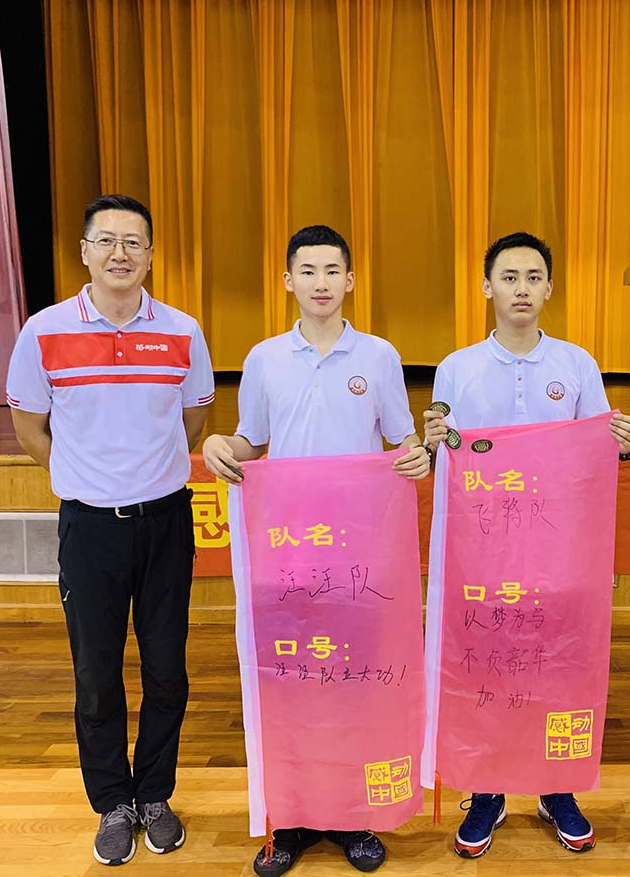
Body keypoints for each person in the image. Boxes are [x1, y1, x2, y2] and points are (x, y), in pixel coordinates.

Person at [201, 224, 431, 877]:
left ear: (351, 280)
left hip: (359, 556)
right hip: (290, 551)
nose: (321, 282)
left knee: (356, 682)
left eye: (333, 270)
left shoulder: (379, 356)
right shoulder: (264, 358)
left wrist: (416, 456)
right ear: (288, 281)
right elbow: (251, 443)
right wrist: (218, 446)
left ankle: (355, 816)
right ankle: (293, 817)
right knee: (293, 686)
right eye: (308, 270)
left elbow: (400, 440)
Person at [421, 231, 630, 859]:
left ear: (549, 288)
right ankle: (487, 788)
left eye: (533, 277)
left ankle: (555, 785)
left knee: (556, 664)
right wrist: (434, 442)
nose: (521, 289)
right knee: (489, 664)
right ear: (487, 286)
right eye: (509, 277)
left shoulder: (576, 364)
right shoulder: (457, 366)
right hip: (483, 547)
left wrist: (625, 443)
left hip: (558, 546)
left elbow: (597, 448)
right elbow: (446, 454)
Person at [7, 194, 215, 866]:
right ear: (85, 252)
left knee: (166, 670)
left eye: (134, 242)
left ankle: (154, 795)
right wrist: (86, 476)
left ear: (151, 255)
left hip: (165, 524)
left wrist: (145, 474)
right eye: (107, 241)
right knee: (96, 674)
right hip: (90, 528)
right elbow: (29, 428)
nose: (120, 253)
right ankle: (112, 804)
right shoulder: (43, 331)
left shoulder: (182, 330)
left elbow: (192, 422)